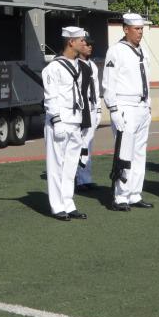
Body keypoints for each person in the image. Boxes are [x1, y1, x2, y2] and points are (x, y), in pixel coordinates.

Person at [101, 13, 154, 210]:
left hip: (141, 107)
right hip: (125, 106)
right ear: (125, 29)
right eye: (136, 29)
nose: (140, 32)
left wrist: (147, 105)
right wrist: (113, 109)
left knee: (140, 153)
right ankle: (120, 196)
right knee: (124, 152)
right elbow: (109, 82)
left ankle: (134, 193)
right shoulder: (116, 51)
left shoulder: (142, 51)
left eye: (141, 29)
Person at [42, 26, 91, 220]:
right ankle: (57, 206)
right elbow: (50, 97)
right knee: (56, 166)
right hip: (60, 122)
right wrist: (56, 119)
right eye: (81, 40)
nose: (84, 43)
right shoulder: (53, 68)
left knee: (71, 167)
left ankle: (68, 203)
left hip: (75, 121)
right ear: (71, 42)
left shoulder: (80, 65)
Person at [73, 36, 102, 193]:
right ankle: (78, 179)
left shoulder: (92, 65)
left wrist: (98, 109)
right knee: (80, 144)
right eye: (87, 44)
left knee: (88, 144)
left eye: (91, 45)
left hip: (91, 108)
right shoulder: (76, 65)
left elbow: (96, 90)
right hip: (81, 109)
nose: (90, 47)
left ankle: (86, 178)